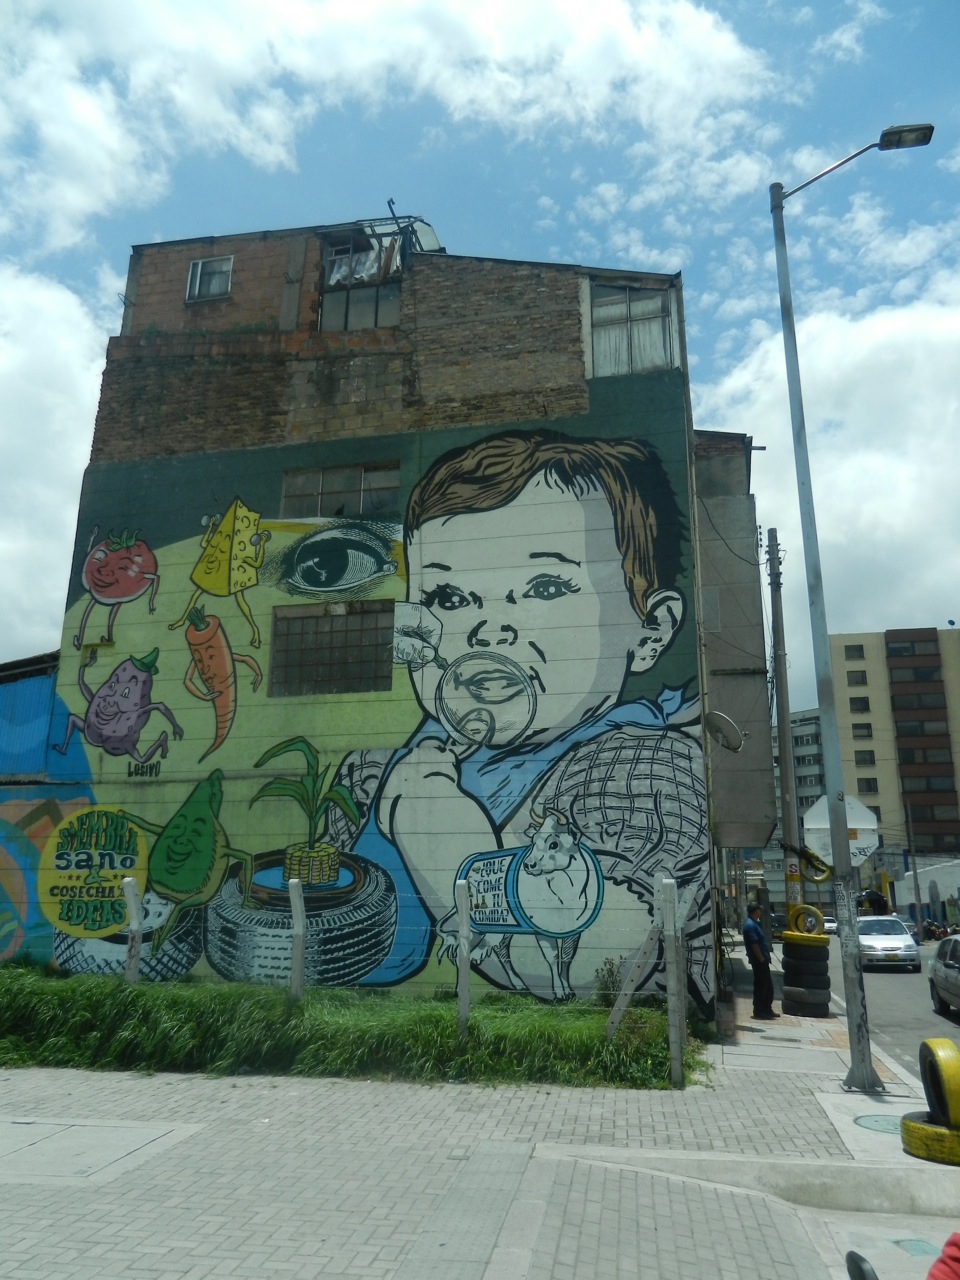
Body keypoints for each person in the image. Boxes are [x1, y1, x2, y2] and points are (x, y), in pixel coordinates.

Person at [337, 427, 710, 1002]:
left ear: (650, 631)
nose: (488, 629)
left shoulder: (644, 770)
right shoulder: (370, 774)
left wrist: (425, 813)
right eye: (448, 599)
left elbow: (596, 960)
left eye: (544, 587)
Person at [743, 901, 777, 1019]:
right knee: (761, 986)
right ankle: (759, 1011)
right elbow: (754, 944)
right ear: (755, 911)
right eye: (759, 910)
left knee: (768, 986)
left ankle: (767, 1009)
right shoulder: (750, 925)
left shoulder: (755, 923)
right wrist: (761, 958)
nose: (761, 912)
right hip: (758, 961)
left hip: (763, 960)